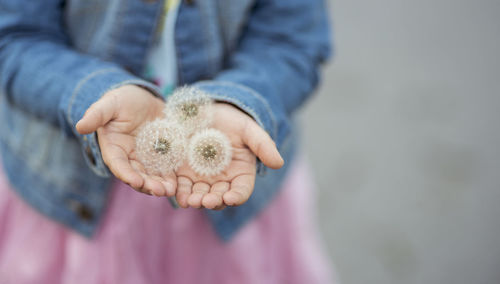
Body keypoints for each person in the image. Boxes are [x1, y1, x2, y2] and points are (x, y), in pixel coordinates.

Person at [0, 0, 336, 283]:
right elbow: (15, 36)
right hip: (62, 187)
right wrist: (94, 92)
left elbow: (292, 41)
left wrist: (240, 101)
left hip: (232, 178)